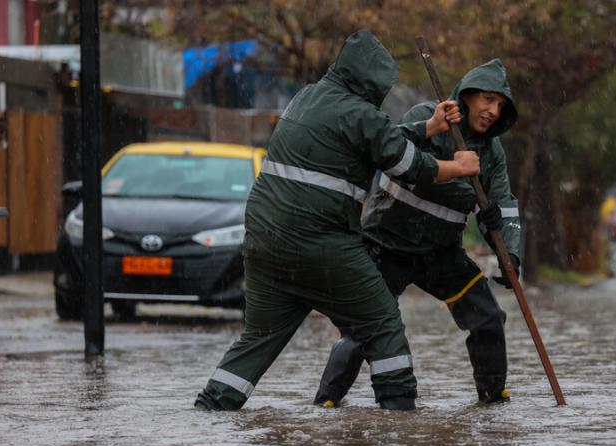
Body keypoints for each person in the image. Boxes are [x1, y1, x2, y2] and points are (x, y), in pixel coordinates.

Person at [194, 30, 479, 411]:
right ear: (372, 81)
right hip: (321, 244)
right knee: (381, 324)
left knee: (259, 337)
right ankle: (400, 417)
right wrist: (458, 167)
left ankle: (211, 409)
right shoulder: (362, 114)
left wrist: (427, 127)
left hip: (264, 243)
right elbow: (410, 167)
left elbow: (369, 138)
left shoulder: (305, 97)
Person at [314, 59, 521, 408]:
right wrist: (434, 135)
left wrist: (509, 255)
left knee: (488, 318)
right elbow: (388, 149)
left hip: (442, 254)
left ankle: (493, 401)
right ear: (467, 96)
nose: (492, 111)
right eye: (487, 100)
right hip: (387, 246)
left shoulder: (492, 153)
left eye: (500, 106)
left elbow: (503, 206)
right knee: (365, 329)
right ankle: (326, 403)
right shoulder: (428, 115)